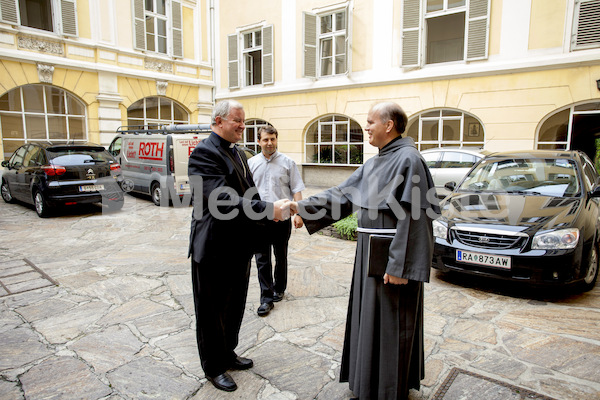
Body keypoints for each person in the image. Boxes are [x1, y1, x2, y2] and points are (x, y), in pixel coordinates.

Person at [289, 102, 440, 399]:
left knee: (391, 325)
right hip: (369, 258)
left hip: (391, 263)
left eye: (371, 122)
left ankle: (388, 390)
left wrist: (400, 267)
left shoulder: (410, 160)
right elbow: (344, 194)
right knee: (370, 321)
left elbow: (415, 217)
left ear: (389, 125)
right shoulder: (375, 162)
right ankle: (370, 384)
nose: (366, 127)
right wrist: (301, 207)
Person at [188, 100, 289, 392]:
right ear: (218, 121)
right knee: (211, 311)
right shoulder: (203, 154)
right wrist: (268, 210)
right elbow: (221, 199)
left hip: (238, 245)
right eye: (237, 121)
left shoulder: (240, 152)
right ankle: (213, 366)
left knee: (233, 306)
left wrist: (270, 209)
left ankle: (228, 354)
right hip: (213, 248)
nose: (243, 126)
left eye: (244, 122)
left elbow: (249, 191)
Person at [248, 125, 305, 316]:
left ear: (276, 139)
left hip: (282, 218)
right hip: (259, 219)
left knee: (281, 256)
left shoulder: (288, 163)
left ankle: (279, 288)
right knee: (262, 259)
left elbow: (296, 188)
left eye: (272, 139)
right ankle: (266, 298)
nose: (269, 143)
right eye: (265, 139)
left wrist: (299, 213)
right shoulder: (251, 164)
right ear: (259, 141)